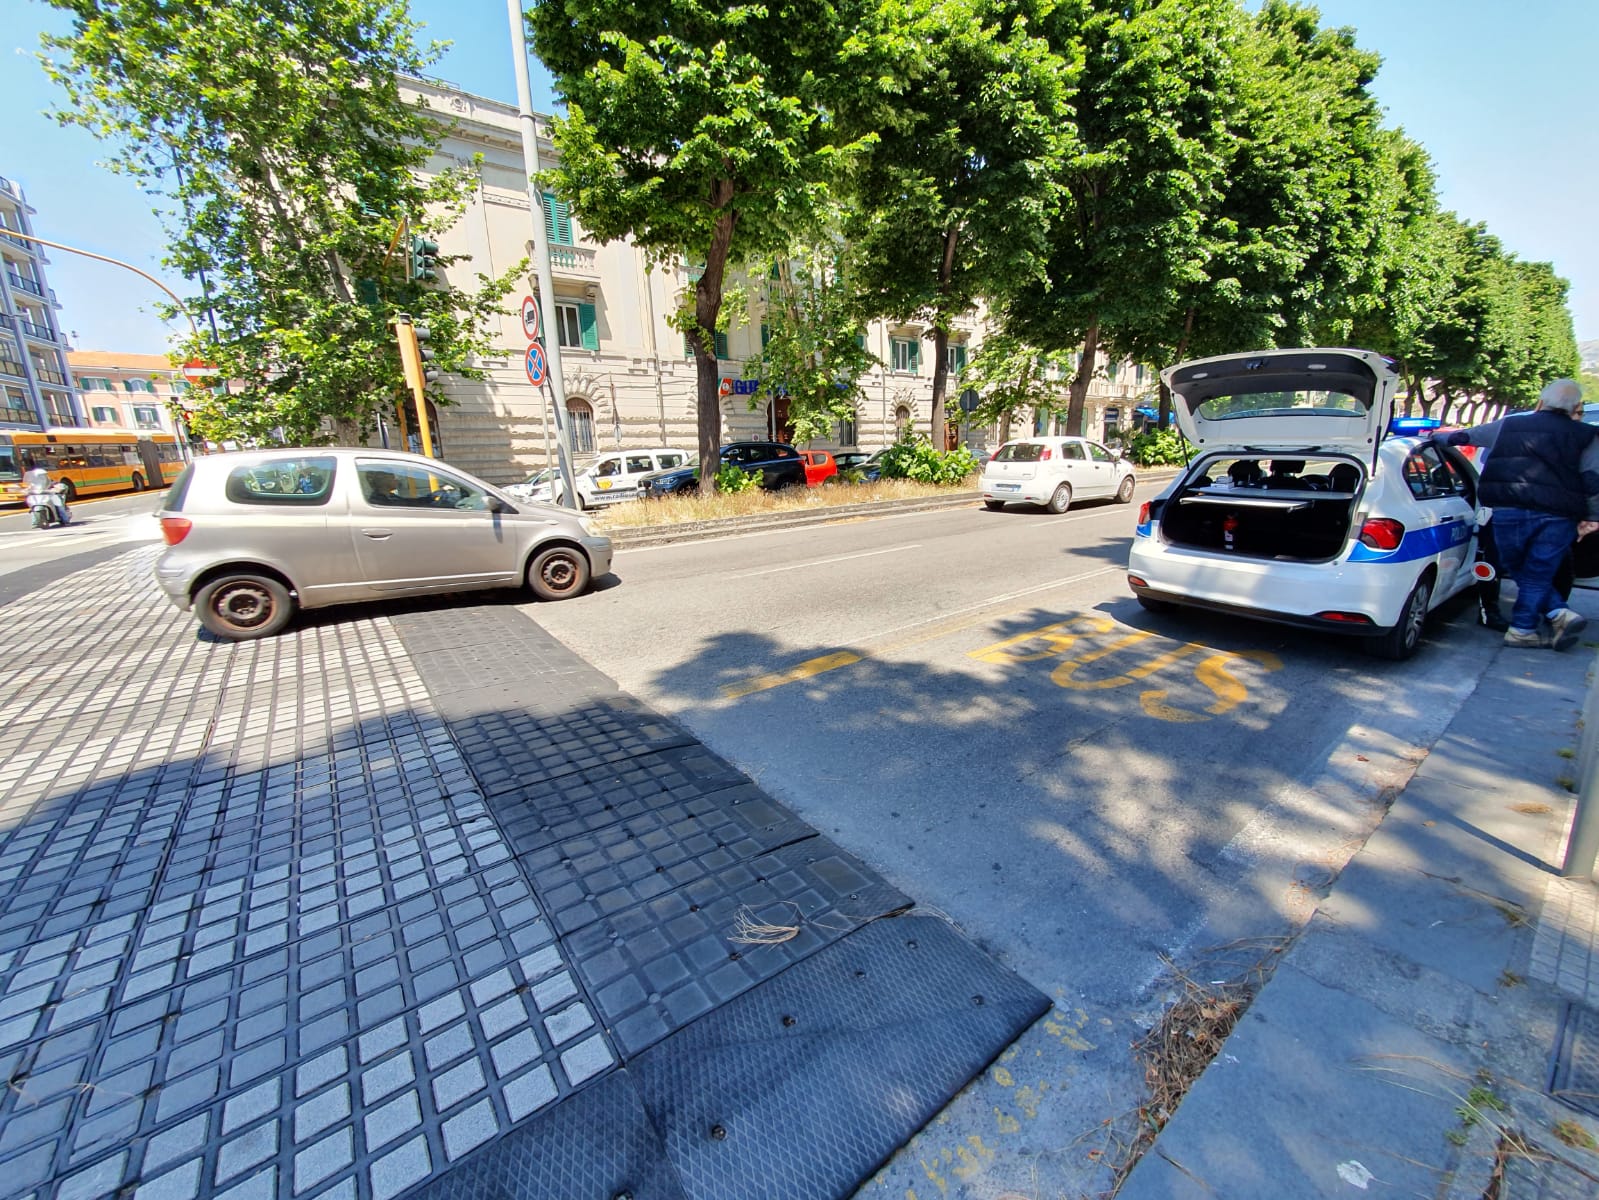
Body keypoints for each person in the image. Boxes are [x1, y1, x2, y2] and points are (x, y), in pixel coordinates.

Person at [1439, 379, 1599, 650]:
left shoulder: (1510, 425)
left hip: (1509, 509)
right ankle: (1544, 618)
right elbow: (1592, 479)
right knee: (1539, 569)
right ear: (1575, 407)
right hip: (1559, 516)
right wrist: (1593, 516)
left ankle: (1538, 621)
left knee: (1517, 566)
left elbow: (1465, 437)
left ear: (1542, 401)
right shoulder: (1587, 436)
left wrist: (1435, 436)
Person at [22, 456, 70, 526]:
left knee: (59, 506)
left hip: (49, 495)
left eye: (41, 476)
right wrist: (25, 490)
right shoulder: (32, 483)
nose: (40, 477)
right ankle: (35, 521)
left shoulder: (48, 480)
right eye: (38, 476)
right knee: (31, 508)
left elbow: (56, 484)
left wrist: (57, 488)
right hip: (37, 497)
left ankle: (65, 520)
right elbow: (27, 487)